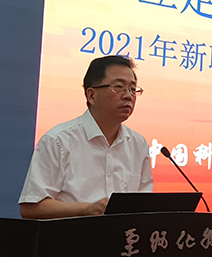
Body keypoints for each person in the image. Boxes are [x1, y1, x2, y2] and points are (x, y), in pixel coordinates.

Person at [19, 55, 153, 219]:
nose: (128, 96)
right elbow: (31, 208)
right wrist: (87, 209)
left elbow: (143, 206)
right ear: (91, 95)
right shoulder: (58, 141)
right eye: (118, 87)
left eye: (132, 89)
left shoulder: (138, 144)